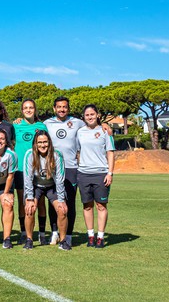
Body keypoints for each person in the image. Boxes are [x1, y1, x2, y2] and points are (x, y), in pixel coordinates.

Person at [43, 96, 86, 247]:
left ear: (68, 108)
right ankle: (54, 232)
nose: (62, 109)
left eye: (65, 107)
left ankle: (68, 235)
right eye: (59, 107)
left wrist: (105, 125)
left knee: (70, 202)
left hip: (71, 168)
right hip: (51, 167)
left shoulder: (78, 123)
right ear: (54, 108)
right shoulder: (46, 124)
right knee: (53, 201)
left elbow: (93, 126)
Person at [22, 130, 70, 251]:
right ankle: (29, 239)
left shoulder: (57, 155)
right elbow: (27, 178)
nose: (43, 145)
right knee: (30, 209)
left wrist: (61, 199)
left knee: (62, 210)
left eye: (45, 142)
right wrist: (29, 198)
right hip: (36, 185)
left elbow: (60, 178)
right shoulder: (29, 155)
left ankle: (63, 241)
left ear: (49, 142)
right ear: (35, 144)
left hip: (52, 186)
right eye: (40, 142)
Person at [77, 104, 115, 249]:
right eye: (87, 115)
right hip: (84, 174)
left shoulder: (105, 132)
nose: (90, 117)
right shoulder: (80, 132)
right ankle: (90, 235)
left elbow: (110, 152)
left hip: (101, 173)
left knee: (101, 205)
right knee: (87, 206)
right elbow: (77, 151)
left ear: (97, 115)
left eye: (92, 114)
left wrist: (109, 173)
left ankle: (100, 237)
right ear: (84, 117)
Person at [12, 99, 48, 245]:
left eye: (31, 107)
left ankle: (42, 233)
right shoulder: (16, 125)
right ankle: (23, 233)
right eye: (25, 108)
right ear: (22, 110)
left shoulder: (41, 126)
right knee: (23, 201)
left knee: (40, 202)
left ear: (35, 110)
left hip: (38, 170)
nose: (28, 110)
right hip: (20, 169)